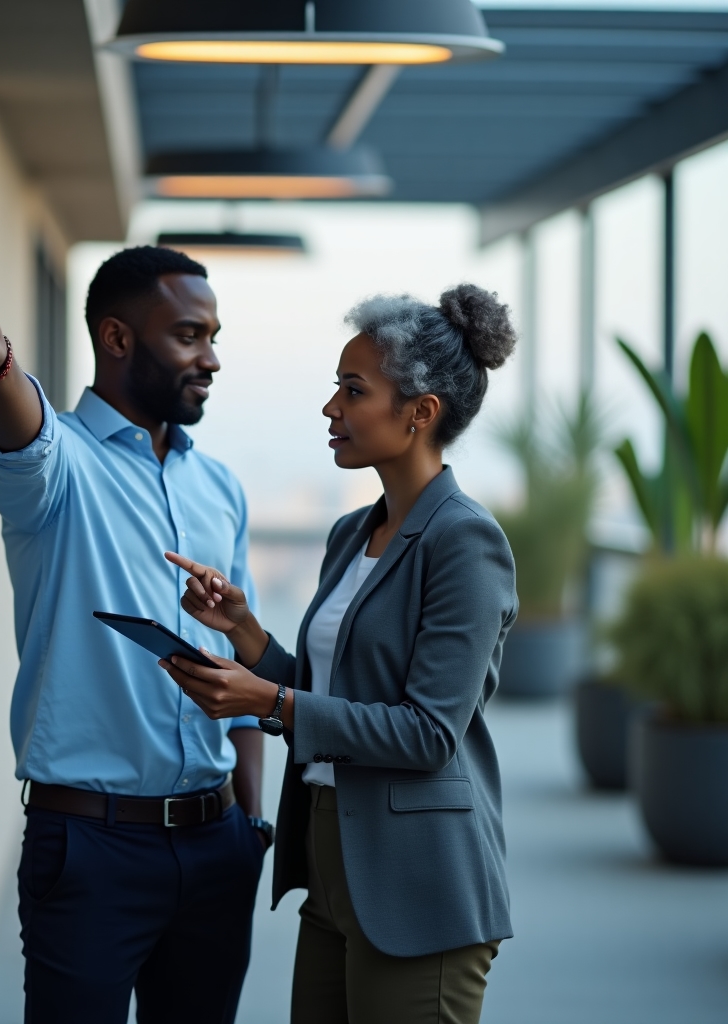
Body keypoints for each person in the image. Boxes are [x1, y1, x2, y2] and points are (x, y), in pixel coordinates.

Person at [0, 247, 274, 1024]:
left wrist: (249, 818)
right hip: (90, 850)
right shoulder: (61, 469)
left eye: (214, 336)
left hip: (218, 847)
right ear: (117, 339)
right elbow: (21, 430)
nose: (211, 358)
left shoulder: (219, 488)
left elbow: (241, 663)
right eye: (188, 335)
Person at [161, 284, 519, 1024]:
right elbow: (336, 691)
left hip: (417, 881)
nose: (331, 409)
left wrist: (270, 703)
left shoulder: (465, 543)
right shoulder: (351, 534)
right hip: (333, 863)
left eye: (353, 391)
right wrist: (246, 635)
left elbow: (425, 733)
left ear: (421, 413)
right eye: (335, 387)